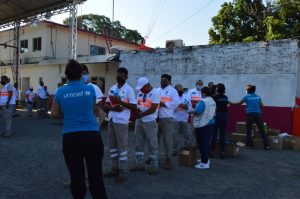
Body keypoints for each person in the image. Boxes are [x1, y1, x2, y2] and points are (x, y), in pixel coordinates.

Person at [51, 59, 107, 199]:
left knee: (76, 177)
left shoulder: (60, 91)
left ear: (66, 74)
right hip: (92, 136)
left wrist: (69, 110)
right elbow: (93, 108)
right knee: (96, 176)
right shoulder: (90, 89)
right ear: (81, 74)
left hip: (71, 137)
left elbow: (54, 113)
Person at [104, 67, 136, 183]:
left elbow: (134, 106)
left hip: (122, 122)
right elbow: (106, 104)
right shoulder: (112, 88)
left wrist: (120, 102)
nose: (119, 76)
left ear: (126, 77)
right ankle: (114, 168)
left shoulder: (129, 90)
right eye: (118, 74)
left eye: (122, 75)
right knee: (112, 146)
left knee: (122, 147)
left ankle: (123, 170)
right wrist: (113, 108)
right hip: (111, 120)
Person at [130, 77, 160, 174]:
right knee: (138, 143)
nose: (141, 90)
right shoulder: (141, 92)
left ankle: (154, 166)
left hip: (150, 122)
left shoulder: (156, 93)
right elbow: (138, 104)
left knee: (152, 144)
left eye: (142, 87)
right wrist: (135, 112)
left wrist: (141, 114)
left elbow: (153, 108)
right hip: (140, 121)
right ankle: (139, 164)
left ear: (147, 85)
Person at [230, 85, 270, 150]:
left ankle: (249, 145)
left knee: (249, 129)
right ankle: (267, 145)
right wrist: (256, 109)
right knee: (262, 129)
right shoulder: (257, 97)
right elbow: (262, 106)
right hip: (258, 114)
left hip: (250, 114)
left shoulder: (246, 97)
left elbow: (238, 104)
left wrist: (230, 103)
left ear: (248, 90)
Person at [158, 74, 179, 170]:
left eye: (165, 80)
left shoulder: (173, 91)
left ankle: (168, 160)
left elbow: (176, 103)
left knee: (167, 140)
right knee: (154, 140)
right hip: (156, 118)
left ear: (169, 81)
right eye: (162, 80)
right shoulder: (157, 90)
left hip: (167, 118)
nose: (162, 82)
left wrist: (164, 104)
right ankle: (153, 157)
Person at [193, 87, 216, 169]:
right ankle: (205, 158)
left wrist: (191, 111)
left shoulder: (203, 101)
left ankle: (204, 163)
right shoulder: (212, 100)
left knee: (202, 143)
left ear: (203, 93)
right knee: (206, 142)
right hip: (211, 123)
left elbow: (197, 112)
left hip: (203, 124)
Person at [172, 84, 193, 156]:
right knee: (175, 136)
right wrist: (178, 106)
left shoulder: (186, 97)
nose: (180, 91)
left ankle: (187, 148)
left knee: (187, 135)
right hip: (175, 119)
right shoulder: (173, 97)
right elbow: (170, 107)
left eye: (181, 90)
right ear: (175, 90)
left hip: (184, 119)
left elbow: (190, 107)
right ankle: (174, 150)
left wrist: (186, 107)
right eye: (179, 90)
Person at [211, 83, 229, 159]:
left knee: (214, 134)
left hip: (217, 115)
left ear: (217, 89)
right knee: (223, 134)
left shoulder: (215, 97)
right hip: (225, 115)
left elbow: (213, 107)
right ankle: (223, 152)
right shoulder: (226, 97)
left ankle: (212, 151)